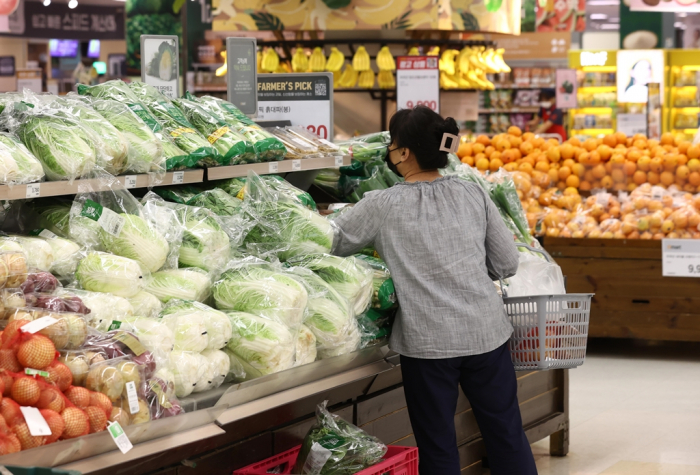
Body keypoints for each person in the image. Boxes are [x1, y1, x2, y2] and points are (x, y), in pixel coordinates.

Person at [331, 106, 538, 475]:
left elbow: (332, 241)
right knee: (506, 433)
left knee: (438, 445)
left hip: (428, 346)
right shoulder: (472, 193)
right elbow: (506, 263)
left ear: (404, 152)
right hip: (486, 335)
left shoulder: (382, 203)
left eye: (392, 145)